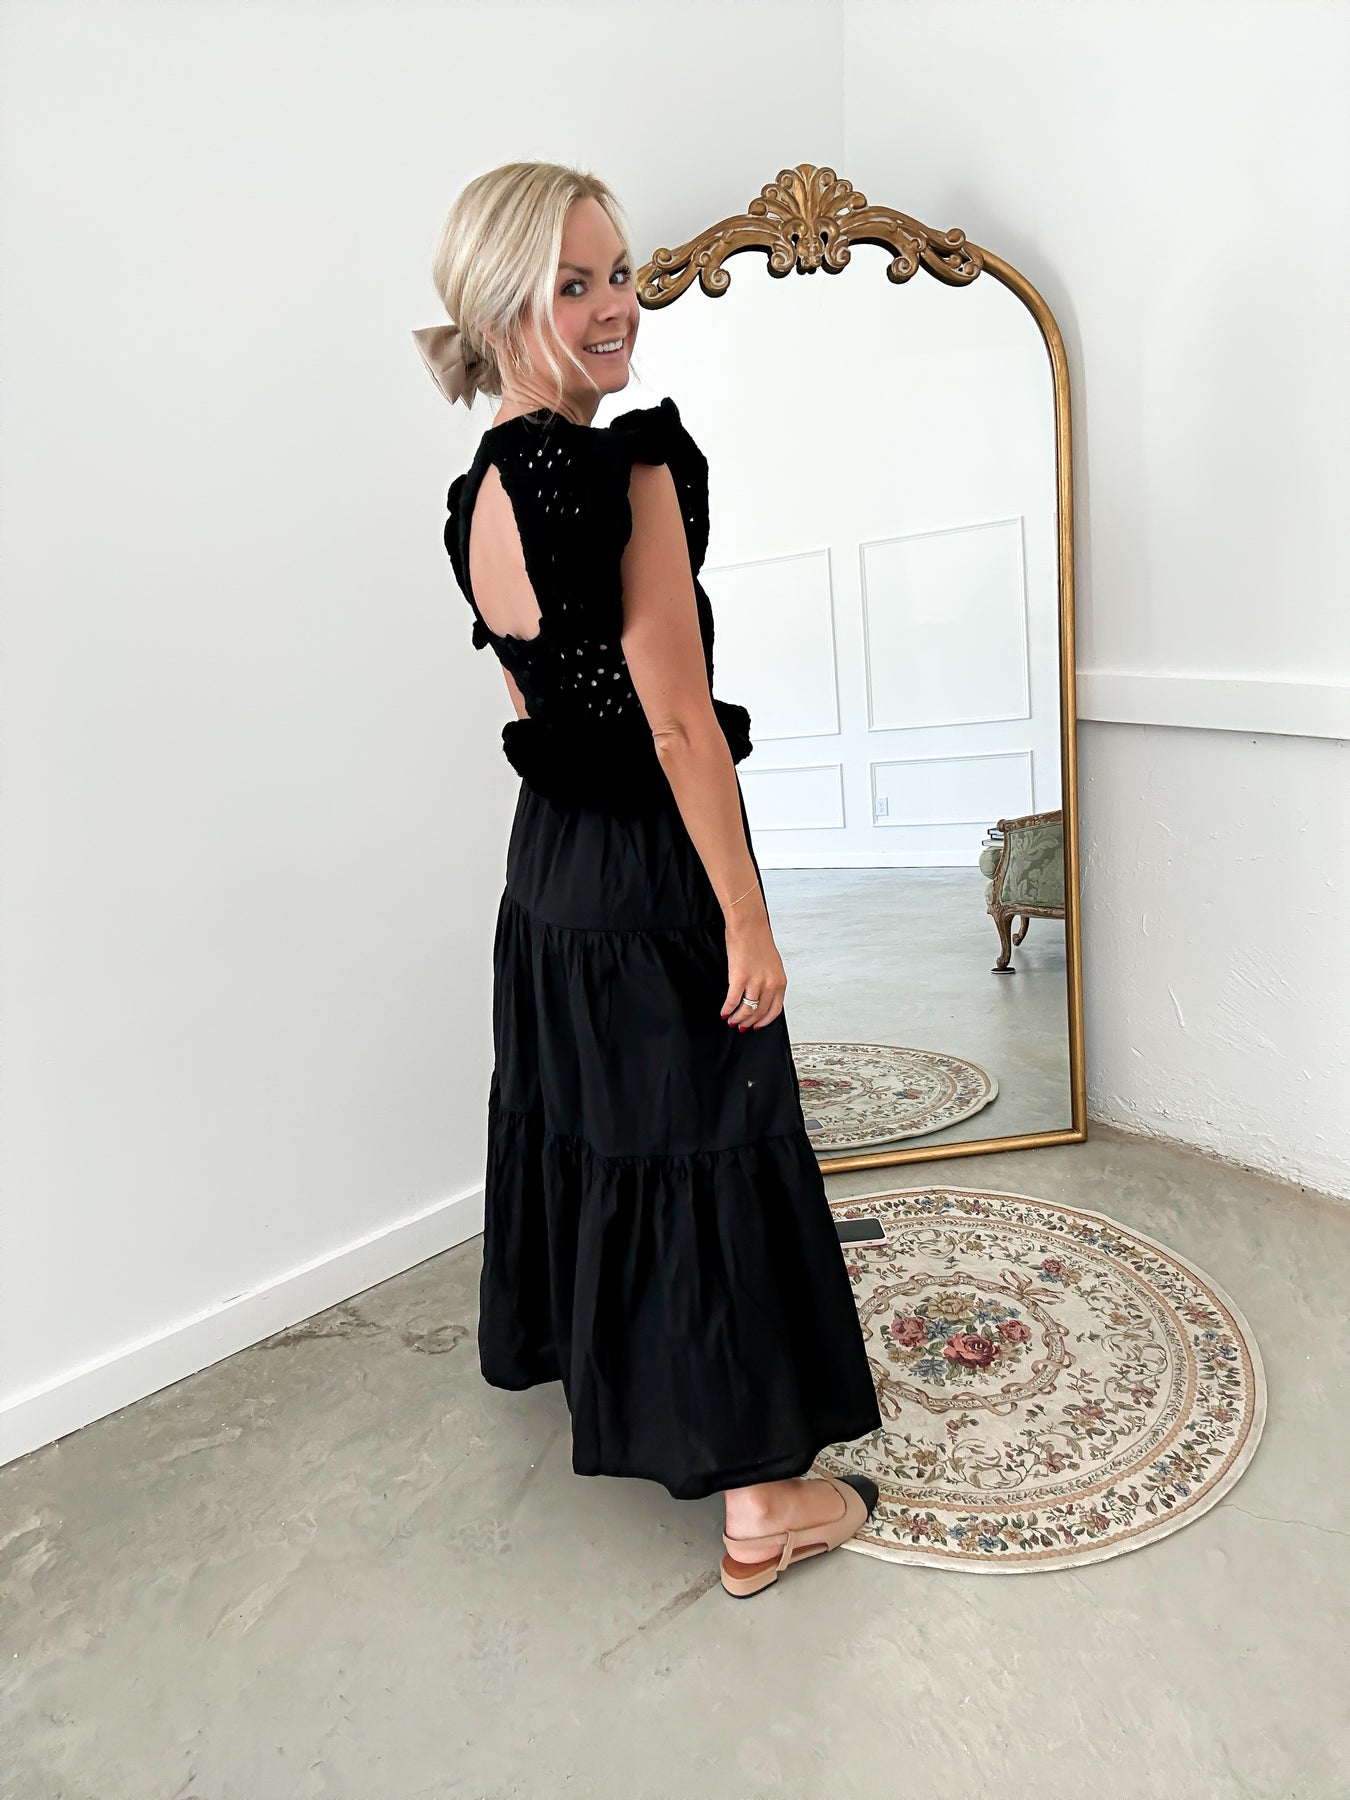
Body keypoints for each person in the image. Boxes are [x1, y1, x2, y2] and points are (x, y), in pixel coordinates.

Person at [414, 161, 882, 1597]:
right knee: (706, 1144)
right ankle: (761, 1504)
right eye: (574, 283)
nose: (617, 304)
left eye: (618, 271)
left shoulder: (477, 493)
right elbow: (677, 726)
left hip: (549, 871)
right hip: (646, 864)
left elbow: (530, 707)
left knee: (598, 1125)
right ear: (504, 307)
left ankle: (596, 1365)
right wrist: (745, 915)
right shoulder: (629, 473)